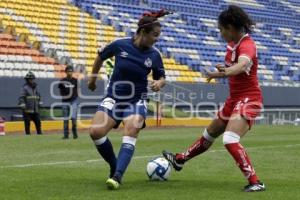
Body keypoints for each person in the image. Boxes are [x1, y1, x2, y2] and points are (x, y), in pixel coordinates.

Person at [162, 5, 266, 192]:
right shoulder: (232, 45)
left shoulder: (247, 44)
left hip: (249, 98)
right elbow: (235, 70)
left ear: (230, 27)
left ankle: (256, 182)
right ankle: (180, 160)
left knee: (230, 138)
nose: (220, 33)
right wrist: (219, 74)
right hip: (234, 99)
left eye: (221, 29)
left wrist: (227, 71)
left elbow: (242, 66)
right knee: (209, 134)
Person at [88, 9, 170, 190]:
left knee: (131, 129)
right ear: (143, 32)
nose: (157, 39)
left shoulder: (154, 55)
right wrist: (92, 79)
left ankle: (117, 176)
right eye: (155, 35)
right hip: (114, 98)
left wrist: (159, 83)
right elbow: (100, 57)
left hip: (137, 100)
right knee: (95, 132)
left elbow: (162, 77)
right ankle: (114, 164)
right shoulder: (120, 45)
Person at [58, 65, 79, 139]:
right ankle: (66, 135)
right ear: (66, 72)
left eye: (71, 71)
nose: (70, 72)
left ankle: (75, 133)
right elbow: (60, 90)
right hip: (65, 101)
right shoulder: (62, 81)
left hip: (74, 101)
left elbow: (77, 90)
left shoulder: (75, 80)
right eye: (69, 71)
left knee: (73, 118)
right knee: (66, 119)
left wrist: (76, 97)